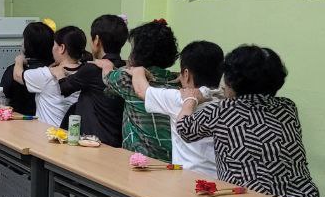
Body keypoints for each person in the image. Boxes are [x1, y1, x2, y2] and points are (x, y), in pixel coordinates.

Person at [175, 45, 325, 197]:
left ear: (232, 81)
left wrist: (189, 99)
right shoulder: (288, 108)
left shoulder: (222, 110)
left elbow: (184, 129)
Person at [130, 40, 224, 176]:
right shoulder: (226, 101)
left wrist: (137, 70)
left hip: (188, 179)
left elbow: (141, 90)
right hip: (220, 178)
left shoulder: (178, 98)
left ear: (186, 74)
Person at [99, 19, 179, 160]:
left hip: (141, 162)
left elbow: (108, 78)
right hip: (173, 162)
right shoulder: (178, 83)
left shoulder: (128, 80)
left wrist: (106, 66)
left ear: (137, 53)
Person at [57, 14, 129, 146]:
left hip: (94, 139)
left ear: (96, 40)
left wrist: (59, 74)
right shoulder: (124, 67)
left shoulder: (93, 68)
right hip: (118, 139)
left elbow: (65, 88)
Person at [17, 25, 84, 127]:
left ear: (61, 48)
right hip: (73, 135)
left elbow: (18, 76)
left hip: (48, 135)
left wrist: (19, 60)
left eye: (54, 45)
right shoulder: (87, 72)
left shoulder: (47, 74)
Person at [0, 20, 55, 117]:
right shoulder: (54, 70)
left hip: (16, 123)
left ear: (27, 44)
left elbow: (3, 101)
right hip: (47, 124)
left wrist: (18, 61)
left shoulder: (13, 70)